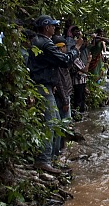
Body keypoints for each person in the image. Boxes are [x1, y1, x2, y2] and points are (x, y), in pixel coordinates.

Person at [28, 15, 80, 174]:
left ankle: (51, 158)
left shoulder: (38, 41)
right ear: (46, 27)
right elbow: (64, 61)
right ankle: (44, 160)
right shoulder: (44, 43)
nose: (54, 28)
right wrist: (76, 49)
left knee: (56, 122)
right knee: (51, 123)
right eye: (52, 26)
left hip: (45, 87)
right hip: (43, 88)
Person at [53, 36, 74, 156]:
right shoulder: (59, 62)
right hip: (63, 97)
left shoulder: (58, 60)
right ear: (61, 48)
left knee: (62, 125)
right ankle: (58, 152)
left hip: (64, 96)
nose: (66, 49)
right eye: (65, 47)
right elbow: (60, 82)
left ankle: (60, 150)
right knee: (63, 125)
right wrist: (66, 101)